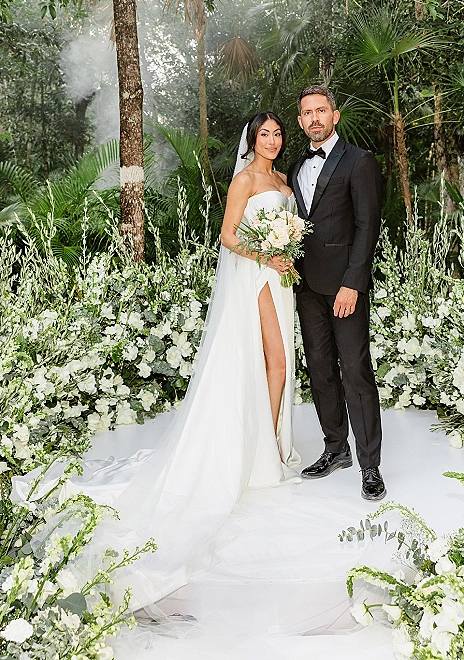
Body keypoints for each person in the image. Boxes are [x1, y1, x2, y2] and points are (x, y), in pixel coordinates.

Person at [13, 112, 301, 612]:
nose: (272, 141)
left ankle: (270, 436)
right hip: (257, 275)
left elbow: (288, 224)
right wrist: (268, 253)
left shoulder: (282, 179)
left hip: (282, 277)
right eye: (264, 134)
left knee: (279, 362)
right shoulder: (246, 179)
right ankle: (266, 448)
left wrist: (288, 249)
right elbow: (228, 236)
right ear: (251, 139)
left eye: (277, 134)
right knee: (272, 359)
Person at [288, 85, 385, 502]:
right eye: (307, 112)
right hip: (306, 287)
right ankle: (335, 449)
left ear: (335, 115)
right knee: (321, 371)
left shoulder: (359, 161)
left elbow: (368, 226)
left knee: (356, 372)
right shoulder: (294, 167)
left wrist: (353, 283)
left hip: (345, 287)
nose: (314, 118)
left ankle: (371, 466)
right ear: (300, 121)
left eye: (320, 111)